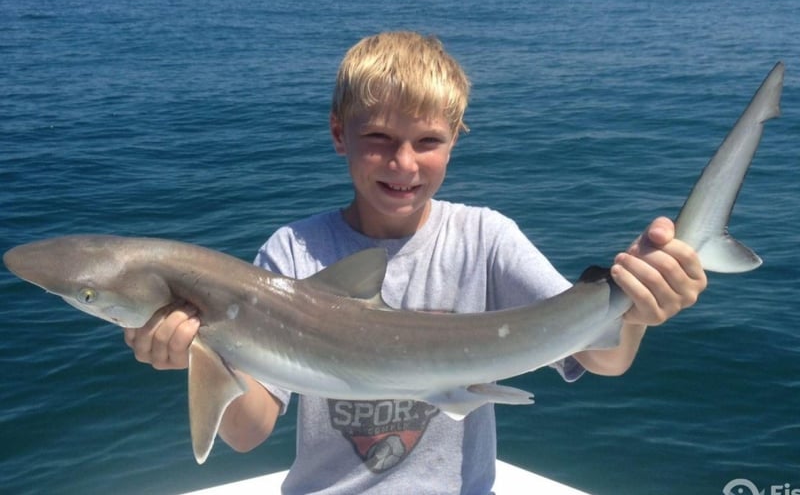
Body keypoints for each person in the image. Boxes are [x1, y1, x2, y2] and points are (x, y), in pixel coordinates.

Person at [124, 31, 707, 494]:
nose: (402, 163)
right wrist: (198, 353)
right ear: (338, 134)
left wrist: (637, 305)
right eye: (377, 136)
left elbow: (600, 355)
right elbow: (248, 433)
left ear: (456, 138)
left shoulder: (485, 239)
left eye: (427, 142)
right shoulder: (290, 256)